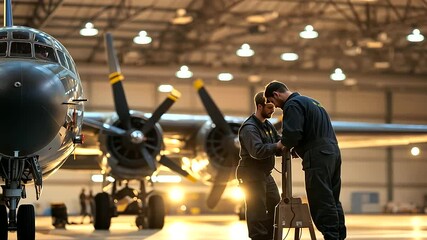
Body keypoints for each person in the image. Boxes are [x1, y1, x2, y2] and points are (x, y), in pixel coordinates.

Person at [264, 81, 347, 240]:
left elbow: (292, 134)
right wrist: (299, 148)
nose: (276, 106)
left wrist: (279, 145)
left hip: (318, 156)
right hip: (333, 153)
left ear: (276, 94)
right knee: (332, 199)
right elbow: (310, 131)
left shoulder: (292, 105)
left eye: (273, 102)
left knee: (321, 200)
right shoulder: (312, 102)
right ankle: (339, 236)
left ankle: (331, 237)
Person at [236, 91, 283, 240]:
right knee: (257, 211)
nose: (272, 110)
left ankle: (269, 236)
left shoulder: (267, 125)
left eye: (273, 108)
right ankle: (259, 237)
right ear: (259, 106)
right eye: (269, 108)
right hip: (251, 175)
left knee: (276, 205)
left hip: (265, 173)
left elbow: (277, 141)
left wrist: (289, 146)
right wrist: (278, 146)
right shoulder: (249, 128)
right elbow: (257, 151)